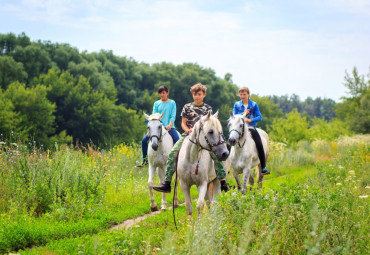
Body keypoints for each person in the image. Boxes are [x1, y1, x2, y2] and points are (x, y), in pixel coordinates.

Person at [153, 83, 230, 193]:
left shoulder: (208, 108)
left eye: (199, 94)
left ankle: (222, 181)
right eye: (194, 94)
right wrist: (188, 130)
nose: (196, 96)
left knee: (215, 153)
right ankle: (167, 183)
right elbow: (183, 123)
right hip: (189, 134)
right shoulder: (187, 107)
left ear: (204, 95)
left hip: (204, 136)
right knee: (172, 153)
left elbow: (211, 125)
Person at [136, 85, 180, 168]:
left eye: (163, 93)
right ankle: (145, 160)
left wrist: (170, 125)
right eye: (160, 93)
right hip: (157, 128)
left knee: (178, 141)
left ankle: (178, 161)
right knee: (144, 140)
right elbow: (154, 116)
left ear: (167, 93)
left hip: (169, 127)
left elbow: (173, 115)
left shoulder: (172, 103)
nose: (162, 95)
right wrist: (156, 127)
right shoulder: (156, 103)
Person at [233, 86, 270, 175]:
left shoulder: (254, 105)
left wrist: (250, 120)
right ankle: (229, 164)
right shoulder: (237, 104)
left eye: (244, 94)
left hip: (250, 128)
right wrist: (244, 114)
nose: (242, 96)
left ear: (248, 94)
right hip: (239, 128)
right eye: (241, 94)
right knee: (230, 141)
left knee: (259, 144)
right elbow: (234, 116)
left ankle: (263, 167)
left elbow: (259, 117)